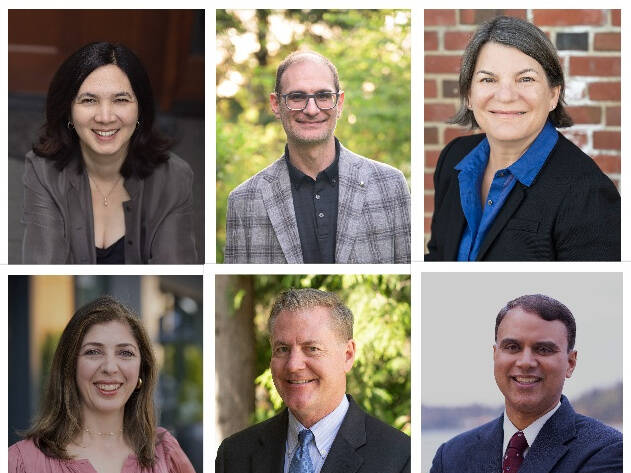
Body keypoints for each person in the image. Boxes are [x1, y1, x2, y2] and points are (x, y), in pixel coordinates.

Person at [421, 294, 622, 473]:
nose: (526, 362)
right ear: (495, 354)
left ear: (570, 362)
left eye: (543, 349)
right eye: (512, 347)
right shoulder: (451, 457)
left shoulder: (607, 450)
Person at [216, 288, 410, 473]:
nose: (294, 365)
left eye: (312, 349)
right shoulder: (234, 456)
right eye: (282, 349)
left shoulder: (398, 458)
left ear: (348, 355)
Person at [425, 16, 620, 261]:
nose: (506, 96)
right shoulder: (454, 158)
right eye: (488, 79)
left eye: (525, 79)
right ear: (468, 96)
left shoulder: (587, 193)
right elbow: (438, 255)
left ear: (553, 94)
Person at [8, 296, 203, 473]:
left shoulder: (164, 451)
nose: (110, 367)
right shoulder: (19, 465)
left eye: (125, 353)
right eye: (93, 352)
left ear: (142, 369)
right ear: (69, 366)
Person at [224, 51, 410, 264]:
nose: (311, 110)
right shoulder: (243, 201)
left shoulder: (390, 186)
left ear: (339, 103)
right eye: (297, 97)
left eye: (323, 96)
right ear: (276, 104)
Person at [22, 42, 198, 264]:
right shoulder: (43, 171)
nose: (105, 117)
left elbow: (175, 264)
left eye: (121, 100)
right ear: (68, 110)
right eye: (89, 100)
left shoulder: (174, 176)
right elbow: (43, 264)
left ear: (140, 109)